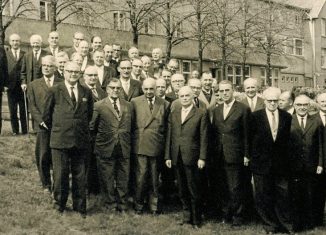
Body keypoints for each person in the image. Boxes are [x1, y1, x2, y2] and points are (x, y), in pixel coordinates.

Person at [42, 62, 93, 217]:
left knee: (80, 176)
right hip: (60, 140)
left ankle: (79, 207)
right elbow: (46, 116)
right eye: (70, 71)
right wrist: (60, 129)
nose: (73, 74)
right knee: (60, 175)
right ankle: (59, 205)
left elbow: (88, 115)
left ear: (80, 73)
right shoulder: (54, 90)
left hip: (80, 140)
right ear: (63, 72)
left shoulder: (86, 92)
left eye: (76, 72)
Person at [250, 87, 293, 234]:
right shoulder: (255, 117)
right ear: (265, 100)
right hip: (261, 164)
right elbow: (249, 140)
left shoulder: (287, 117)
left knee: (283, 195)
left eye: (276, 100)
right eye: (270, 101)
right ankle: (269, 225)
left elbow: (289, 141)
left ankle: (285, 225)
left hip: (281, 165)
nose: (273, 103)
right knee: (263, 195)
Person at [165, 86, 208, 228]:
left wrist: (202, 157)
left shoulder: (201, 113)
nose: (184, 98)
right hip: (177, 156)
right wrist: (168, 156)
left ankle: (197, 219)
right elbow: (169, 136)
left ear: (192, 97)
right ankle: (186, 217)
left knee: (194, 189)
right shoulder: (174, 113)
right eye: (181, 96)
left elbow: (204, 137)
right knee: (182, 189)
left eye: (187, 96)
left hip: (193, 157)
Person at [211, 80, 250, 226]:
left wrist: (247, 154)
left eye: (227, 90)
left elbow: (247, 134)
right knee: (222, 186)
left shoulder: (243, 109)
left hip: (235, 153)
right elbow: (214, 132)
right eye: (221, 91)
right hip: (218, 154)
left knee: (235, 187)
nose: (224, 93)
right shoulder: (216, 110)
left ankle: (238, 216)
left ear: (232, 90)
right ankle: (225, 214)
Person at [90, 78, 133, 212]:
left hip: (124, 147)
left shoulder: (128, 105)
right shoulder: (99, 105)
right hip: (105, 147)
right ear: (107, 89)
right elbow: (92, 127)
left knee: (123, 177)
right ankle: (110, 204)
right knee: (107, 178)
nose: (115, 90)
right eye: (112, 88)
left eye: (118, 88)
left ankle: (123, 204)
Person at [131, 78, 170, 214]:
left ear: (156, 89)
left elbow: (166, 128)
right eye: (146, 89)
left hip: (156, 146)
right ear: (142, 89)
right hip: (140, 144)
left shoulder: (164, 104)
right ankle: (139, 205)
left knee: (154, 178)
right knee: (140, 177)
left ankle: (154, 206)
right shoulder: (135, 102)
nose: (148, 92)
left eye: (151, 89)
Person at [28, 55, 62, 193]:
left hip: (58, 126)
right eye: (44, 65)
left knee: (57, 156)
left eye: (49, 66)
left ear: (55, 68)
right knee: (43, 155)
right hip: (42, 126)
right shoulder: (33, 85)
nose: (46, 68)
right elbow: (32, 106)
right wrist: (41, 121)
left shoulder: (61, 83)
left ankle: (58, 183)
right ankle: (46, 183)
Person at [289, 94, 323, 232]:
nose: (302, 108)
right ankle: (297, 223)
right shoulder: (287, 120)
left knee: (310, 194)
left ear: (309, 106)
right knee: (295, 194)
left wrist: (320, 164)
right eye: (299, 105)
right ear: (294, 106)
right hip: (293, 165)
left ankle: (309, 222)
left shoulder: (316, 121)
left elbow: (320, 144)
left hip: (311, 164)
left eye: (305, 105)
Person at [5, 33, 27, 135]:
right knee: (12, 110)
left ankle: (25, 130)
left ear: (20, 42)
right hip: (11, 87)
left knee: (23, 110)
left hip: (23, 86)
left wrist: (25, 82)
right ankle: (15, 131)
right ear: (10, 42)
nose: (15, 43)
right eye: (13, 41)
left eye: (17, 41)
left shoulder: (25, 54)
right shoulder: (6, 54)